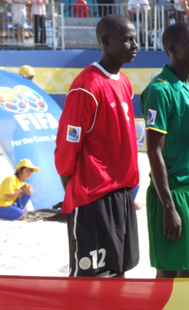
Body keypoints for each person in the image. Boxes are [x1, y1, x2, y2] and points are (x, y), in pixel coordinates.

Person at [55, 15, 140, 278]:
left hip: (121, 194)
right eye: (127, 39)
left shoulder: (124, 81)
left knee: (120, 271)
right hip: (92, 197)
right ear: (105, 41)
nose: (135, 45)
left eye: (135, 38)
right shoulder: (86, 87)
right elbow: (67, 148)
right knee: (93, 279)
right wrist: (73, 190)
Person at [142, 22, 189, 278]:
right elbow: (154, 152)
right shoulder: (159, 91)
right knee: (170, 273)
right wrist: (169, 207)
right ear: (172, 48)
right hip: (173, 193)